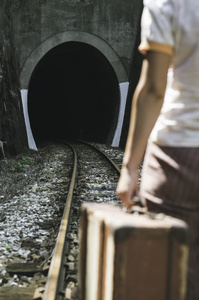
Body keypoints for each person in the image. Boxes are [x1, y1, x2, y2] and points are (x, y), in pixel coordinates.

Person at [116, 0, 199, 299]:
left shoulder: (168, 2)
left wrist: (129, 168)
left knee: (168, 274)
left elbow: (154, 89)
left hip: (178, 154)